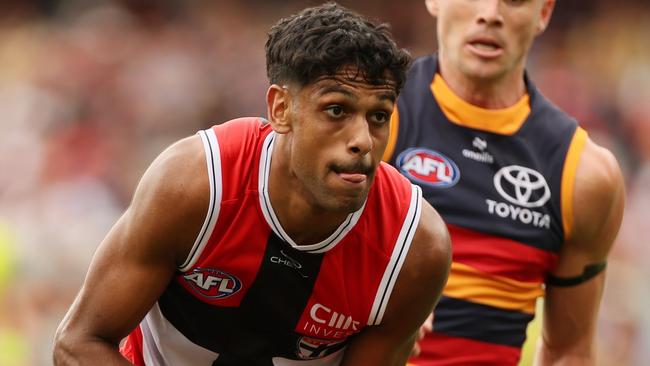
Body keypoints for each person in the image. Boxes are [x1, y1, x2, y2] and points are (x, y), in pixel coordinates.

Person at [52, 3, 451, 366]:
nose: (363, 140)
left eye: (379, 116)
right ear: (280, 109)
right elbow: (79, 342)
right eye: (336, 110)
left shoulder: (415, 250)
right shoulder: (195, 183)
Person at [383, 1, 626, 365]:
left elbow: (568, 351)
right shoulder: (375, 121)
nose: (490, 13)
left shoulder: (584, 174)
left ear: (543, 13)